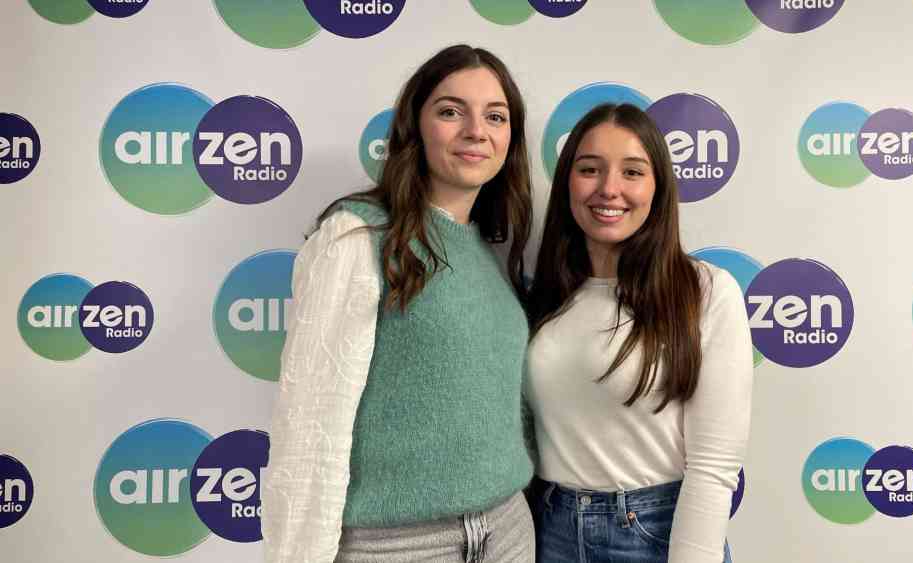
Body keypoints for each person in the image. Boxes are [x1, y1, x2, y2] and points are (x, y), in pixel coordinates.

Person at [261, 44, 536, 563]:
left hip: (508, 530)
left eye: (495, 116)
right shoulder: (359, 234)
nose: (476, 130)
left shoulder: (486, 249)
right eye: (451, 111)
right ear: (416, 126)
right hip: (397, 546)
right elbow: (310, 422)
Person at [524, 103, 752, 563]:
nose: (609, 188)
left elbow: (713, 467)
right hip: (549, 532)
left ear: (658, 187)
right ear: (568, 179)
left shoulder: (705, 292)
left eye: (632, 171)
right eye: (590, 169)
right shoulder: (545, 295)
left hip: (655, 535)